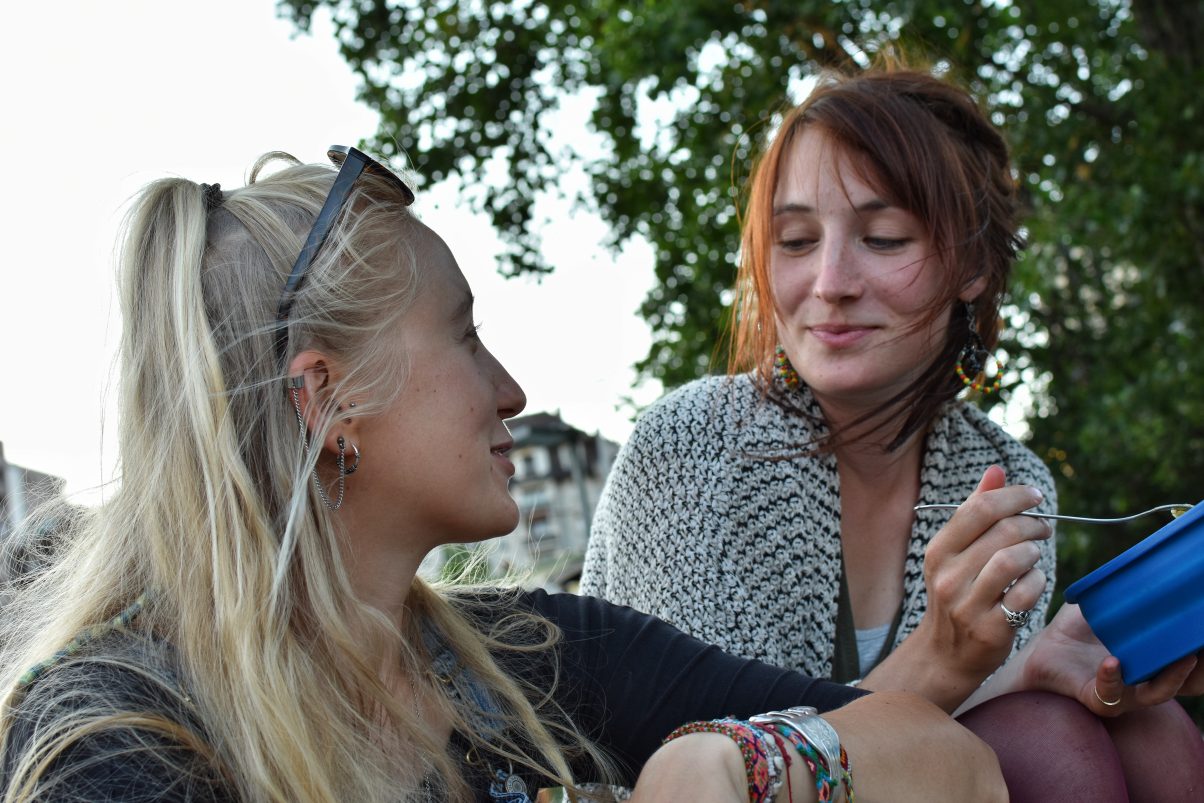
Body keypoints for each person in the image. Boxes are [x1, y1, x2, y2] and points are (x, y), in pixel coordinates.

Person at [0, 147, 1007, 803]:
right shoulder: (109, 740)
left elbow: (943, 759)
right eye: (465, 336)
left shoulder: (542, 652)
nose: (512, 389)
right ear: (329, 398)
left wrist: (737, 767)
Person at [580, 65, 1204, 800]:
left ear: (971, 264)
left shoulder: (1005, 472)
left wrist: (1029, 662)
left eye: (881, 238)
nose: (831, 280)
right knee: (1049, 740)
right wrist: (946, 659)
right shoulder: (694, 449)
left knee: (1147, 726)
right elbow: (715, 773)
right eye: (796, 239)